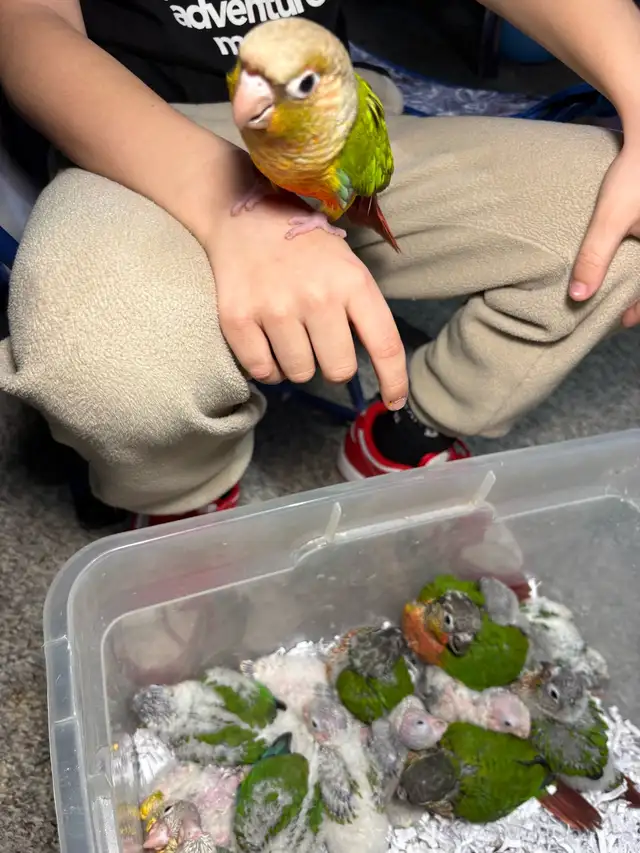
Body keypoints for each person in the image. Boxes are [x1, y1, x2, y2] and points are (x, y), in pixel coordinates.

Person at [0, 0, 639, 529]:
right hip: (132, 129)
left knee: (620, 228)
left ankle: (406, 435)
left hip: (338, 126)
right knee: (100, 365)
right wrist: (229, 205)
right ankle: (183, 510)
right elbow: (22, 27)